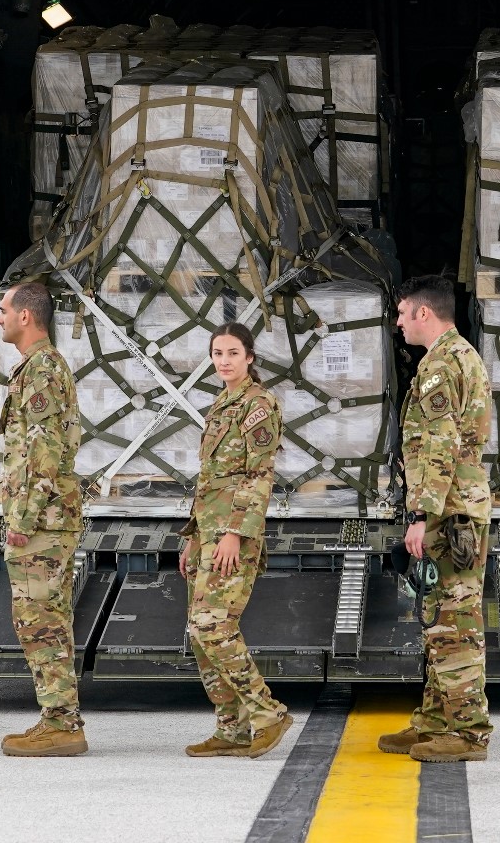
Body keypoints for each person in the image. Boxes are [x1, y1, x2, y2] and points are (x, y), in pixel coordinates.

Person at [378, 275, 494, 764]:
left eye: (403, 314)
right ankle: (435, 721)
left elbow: (441, 446)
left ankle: (467, 732)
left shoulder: (440, 366)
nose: (399, 323)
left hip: (450, 511)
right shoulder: (460, 356)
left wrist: (421, 515)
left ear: (424, 313)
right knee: (441, 618)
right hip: (458, 505)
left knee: (455, 623)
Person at [180, 322, 292, 759]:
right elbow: (208, 481)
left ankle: (267, 712)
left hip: (233, 536)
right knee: (199, 631)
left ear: (249, 357)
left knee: (213, 623)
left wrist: (231, 534)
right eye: (217, 354)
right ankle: (231, 727)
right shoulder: (220, 405)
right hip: (208, 533)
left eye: (232, 353)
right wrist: (193, 537)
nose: (223, 361)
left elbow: (258, 476)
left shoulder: (259, 405)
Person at [0, 282, 91, 757]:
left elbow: (46, 453)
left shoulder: (41, 371)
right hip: (46, 518)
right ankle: (58, 717)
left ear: (26, 317)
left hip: (42, 522)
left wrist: (25, 518)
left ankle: (62, 724)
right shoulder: (39, 368)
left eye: (4, 310)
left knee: (41, 621)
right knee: (41, 618)